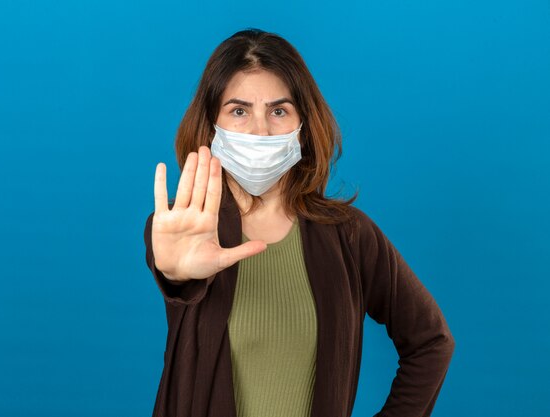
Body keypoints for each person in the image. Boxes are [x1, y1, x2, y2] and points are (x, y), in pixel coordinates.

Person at [143, 28, 455, 417]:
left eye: (279, 110)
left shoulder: (349, 236)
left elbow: (431, 341)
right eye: (239, 111)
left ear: (303, 126)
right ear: (211, 126)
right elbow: (176, 273)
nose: (260, 130)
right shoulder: (183, 226)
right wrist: (175, 275)